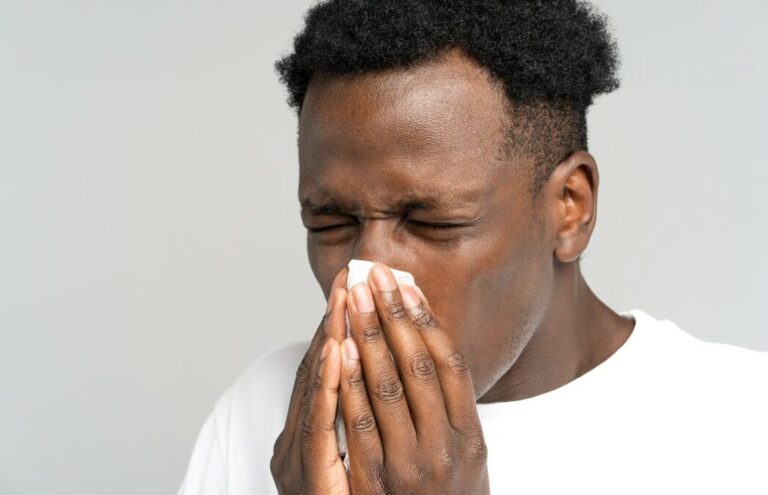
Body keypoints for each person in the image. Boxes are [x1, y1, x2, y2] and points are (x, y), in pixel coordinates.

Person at [178, 1, 768, 493]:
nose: (366, 271)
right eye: (330, 221)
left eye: (432, 222)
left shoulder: (741, 425)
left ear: (570, 208)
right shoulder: (264, 415)